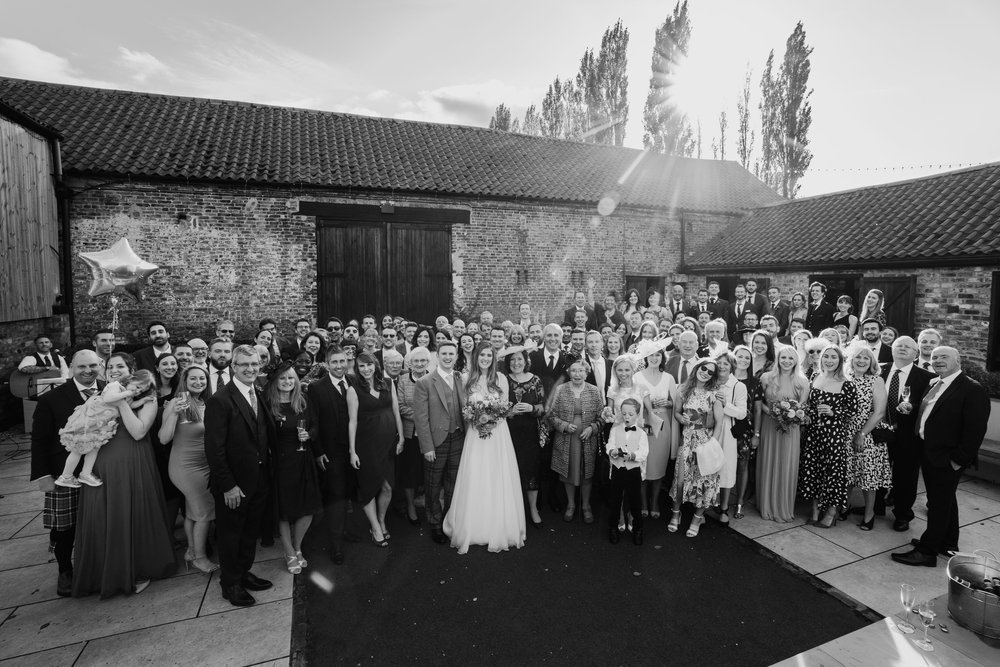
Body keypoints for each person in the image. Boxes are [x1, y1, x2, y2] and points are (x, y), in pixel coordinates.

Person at [72, 351, 176, 598]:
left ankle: (134, 569)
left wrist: (121, 402)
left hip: (131, 459)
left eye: (120, 366)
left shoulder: (147, 398)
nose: (114, 369)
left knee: (128, 512)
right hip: (101, 460)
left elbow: (139, 432)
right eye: (110, 366)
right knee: (103, 515)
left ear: (132, 369)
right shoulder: (106, 391)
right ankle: (102, 572)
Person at [892, 346, 990, 567]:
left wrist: (958, 460)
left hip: (947, 458)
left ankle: (927, 551)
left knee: (937, 503)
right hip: (928, 450)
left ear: (958, 360)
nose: (938, 360)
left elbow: (975, 430)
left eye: (944, 357)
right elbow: (931, 413)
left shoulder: (971, 389)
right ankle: (947, 543)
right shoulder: (934, 382)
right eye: (935, 357)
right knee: (945, 500)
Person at [205, 345, 275, 607]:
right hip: (234, 485)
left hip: (258, 478)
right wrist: (228, 486)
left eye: (254, 364)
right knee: (231, 534)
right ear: (233, 366)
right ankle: (230, 583)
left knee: (249, 533)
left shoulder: (257, 392)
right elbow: (214, 449)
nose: (250, 369)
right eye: (244, 364)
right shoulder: (220, 400)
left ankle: (243, 573)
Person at [30, 350, 103, 596]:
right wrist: (43, 476)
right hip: (65, 473)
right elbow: (39, 440)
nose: (88, 371)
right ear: (71, 367)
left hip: (101, 470)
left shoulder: (109, 389)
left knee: (98, 523)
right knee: (65, 528)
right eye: (82, 366)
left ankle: (98, 566)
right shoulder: (51, 399)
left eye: (93, 366)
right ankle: (65, 571)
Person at [443, 342, 526, 553]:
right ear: (476, 357)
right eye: (482, 355)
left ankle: (499, 525)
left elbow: (506, 407)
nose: (486, 359)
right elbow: (463, 408)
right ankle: (473, 524)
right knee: (476, 476)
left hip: (497, 434)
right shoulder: (465, 379)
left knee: (497, 476)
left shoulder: (501, 379)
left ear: (494, 358)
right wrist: (476, 420)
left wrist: (491, 421)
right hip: (475, 435)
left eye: (489, 355)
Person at [159, 365, 217, 574]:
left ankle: (192, 552)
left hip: (205, 465)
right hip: (185, 466)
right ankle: (200, 558)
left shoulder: (206, 403)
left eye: (202, 379)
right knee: (204, 512)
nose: (198, 382)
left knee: (194, 512)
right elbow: (163, 438)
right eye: (193, 379)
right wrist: (173, 413)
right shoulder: (176, 403)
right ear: (185, 380)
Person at [54, 369, 156, 488]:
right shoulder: (115, 386)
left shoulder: (129, 395)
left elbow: (130, 405)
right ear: (131, 378)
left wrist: (143, 400)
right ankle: (66, 476)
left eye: (141, 390)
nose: (137, 391)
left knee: (94, 448)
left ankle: (85, 473)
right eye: (137, 386)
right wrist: (127, 393)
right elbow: (109, 398)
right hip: (90, 420)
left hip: (101, 425)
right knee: (78, 449)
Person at [264, 363, 321, 575]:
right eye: (282, 378)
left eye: (291, 378)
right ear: (275, 382)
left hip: (303, 457)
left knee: (308, 507)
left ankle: (297, 547)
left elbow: (315, 425)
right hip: (281, 462)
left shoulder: (303, 400)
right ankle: (288, 552)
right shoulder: (268, 403)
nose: (287, 382)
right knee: (284, 510)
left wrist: (310, 435)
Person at [412, 341, 467, 544]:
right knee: (433, 485)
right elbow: (420, 418)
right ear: (438, 356)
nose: (447, 357)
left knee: (453, 482)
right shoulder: (425, 382)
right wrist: (427, 447)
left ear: (456, 355)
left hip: (459, 437)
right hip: (436, 441)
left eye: (451, 354)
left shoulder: (460, 378)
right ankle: (435, 523)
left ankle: (448, 520)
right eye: (444, 353)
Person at [347, 352, 403, 547]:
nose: (366, 369)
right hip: (366, 446)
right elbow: (352, 422)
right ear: (357, 369)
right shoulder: (353, 389)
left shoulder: (388, 383)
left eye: (368, 365)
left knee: (387, 486)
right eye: (361, 366)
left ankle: (381, 519)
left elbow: (396, 411)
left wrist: (401, 437)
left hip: (388, 444)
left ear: (375, 365)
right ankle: (375, 527)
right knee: (369, 488)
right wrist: (352, 451)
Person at [799, 345, 858, 528]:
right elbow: (809, 403)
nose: (829, 360)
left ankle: (831, 513)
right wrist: (806, 414)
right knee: (813, 472)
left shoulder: (847, 383)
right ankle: (815, 512)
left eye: (833, 357)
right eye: (826, 357)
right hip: (813, 434)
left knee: (833, 474)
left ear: (840, 361)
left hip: (833, 435)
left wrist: (834, 411)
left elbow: (853, 411)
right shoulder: (815, 376)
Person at [881, 336, 935, 532]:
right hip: (880, 431)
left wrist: (913, 407)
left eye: (908, 347)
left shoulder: (926, 377)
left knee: (905, 477)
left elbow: (929, 407)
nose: (902, 349)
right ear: (892, 350)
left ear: (916, 353)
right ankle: (877, 507)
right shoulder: (879, 369)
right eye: (899, 345)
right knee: (878, 470)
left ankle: (903, 514)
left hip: (907, 435)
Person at [308, 346, 356, 565]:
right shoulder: (317, 388)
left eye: (342, 361)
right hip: (330, 452)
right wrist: (318, 451)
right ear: (327, 364)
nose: (339, 366)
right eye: (334, 362)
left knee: (348, 493)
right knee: (335, 496)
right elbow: (313, 421)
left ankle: (345, 530)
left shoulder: (354, 381)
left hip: (353, 450)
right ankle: (335, 543)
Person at [753, 345, 810, 523]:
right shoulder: (766, 377)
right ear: (777, 359)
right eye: (783, 357)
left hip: (790, 430)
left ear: (796, 361)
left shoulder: (802, 381)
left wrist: (790, 415)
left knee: (786, 465)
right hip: (769, 426)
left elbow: (802, 409)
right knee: (767, 462)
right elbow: (758, 403)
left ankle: (782, 507)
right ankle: (765, 505)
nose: (786, 361)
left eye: (790, 358)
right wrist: (773, 412)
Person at [670, 357, 725, 537]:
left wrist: (712, 445)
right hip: (686, 440)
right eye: (704, 368)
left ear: (713, 376)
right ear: (697, 368)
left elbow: (719, 422)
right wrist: (681, 418)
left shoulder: (714, 394)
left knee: (704, 481)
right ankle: (676, 513)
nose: (706, 373)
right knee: (680, 481)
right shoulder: (683, 390)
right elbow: (677, 412)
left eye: (711, 372)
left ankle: (696, 518)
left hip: (705, 441)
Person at [549, 358, 605, 525]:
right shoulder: (560, 389)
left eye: (581, 371)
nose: (577, 374)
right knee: (568, 471)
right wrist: (564, 425)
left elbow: (602, 417)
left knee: (587, 472)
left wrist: (592, 429)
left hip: (588, 438)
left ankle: (586, 506)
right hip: (566, 437)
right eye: (574, 370)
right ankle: (571, 505)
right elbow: (551, 415)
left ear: (587, 373)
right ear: (569, 373)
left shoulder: (594, 391)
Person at [843, 343, 890, 531]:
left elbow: (879, 412)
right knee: (846, 474)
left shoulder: (876, 380)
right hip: (845, 432)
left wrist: (861, 434)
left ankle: (869, 515)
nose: (861, 360)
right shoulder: (844, 378)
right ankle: (843, 507)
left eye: (866, 358)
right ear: (851, 360)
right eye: (858, 357)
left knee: (867, 477)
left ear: (872, 361)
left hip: (867, 433)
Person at [501, 345, 546, 528]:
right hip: (508, 432)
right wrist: (509, 412)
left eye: (520, 359)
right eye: (512, 360)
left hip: (530, 432)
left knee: (531, 470)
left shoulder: (535, 380)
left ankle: (533, 509)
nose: (516, 363)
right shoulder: (503, 380)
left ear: (526, 360)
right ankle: (511, 510)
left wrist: (532, 408)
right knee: (510, 470)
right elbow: (495, 406)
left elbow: (544, 407)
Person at [634, 339, 677, 520]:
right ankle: (643, 502)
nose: (654, 358)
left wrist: (668, 403)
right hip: (643, 424)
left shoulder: (668, 378)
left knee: (658, 464)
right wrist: (645, 405)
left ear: (662, 357)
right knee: (643, 463)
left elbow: (676, 404)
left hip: (663, 424)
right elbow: (631, 402)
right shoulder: (637, 377)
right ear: (645, 357)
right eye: (651, 355)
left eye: (658, 354)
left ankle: (655, 502)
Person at [606, 399, 649, 545]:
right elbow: (610, 445)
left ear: (637, 414)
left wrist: (632, 456)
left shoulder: (641, 433)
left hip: (633, 471)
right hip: (618, 470)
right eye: (624, 413)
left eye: (630, 414)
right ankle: (613, 528)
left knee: (635, 501)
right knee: (615, 501)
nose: (627, 417)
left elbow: (644, 452)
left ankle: (638, 529)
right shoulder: (615, 430)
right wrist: (612, 451)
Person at [711, 351, 748, 525]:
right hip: (709, 427)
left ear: (732, 366)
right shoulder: (709, 382)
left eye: (726, 363)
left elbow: (741, 414)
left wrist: (726, 404)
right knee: (708, 465)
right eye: (719, 363)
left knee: (726, 469)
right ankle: (707, 503)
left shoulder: (737, 386)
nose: (722, 366)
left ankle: (724, 507)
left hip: (727, 430)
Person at [397, 347, 431, 525]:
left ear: (428, 363)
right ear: (410, 363)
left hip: (429, 434)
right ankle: (411, 506)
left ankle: (430, 506)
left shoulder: (434, 378)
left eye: (423, 361)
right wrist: (422, 416)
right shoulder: (403, 380)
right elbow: (401, 406)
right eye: (416, 361)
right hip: (410, 433)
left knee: (429, 470)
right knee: (410, 472)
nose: (419, 364)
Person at [728, 346, 759, 519]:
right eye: (740, 356)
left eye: (747, 358)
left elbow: (757, 411)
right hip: (726, 426)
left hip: (745, 430)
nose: (744, 360)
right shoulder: (725, 378)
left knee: (743, 466)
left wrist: (756, 434)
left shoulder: (755, 382)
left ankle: (739, 503)